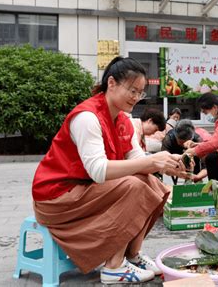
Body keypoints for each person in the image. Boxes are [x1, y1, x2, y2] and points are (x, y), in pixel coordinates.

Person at [31, 57, 186, 284]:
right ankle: (113, 267)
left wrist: (167, 161)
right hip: (56, 196)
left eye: (140, 92)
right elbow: (98, 170)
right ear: (111, 83)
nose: (136, 97)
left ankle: (131, 255)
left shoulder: (123, 119)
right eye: (132, 90)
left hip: (84, 188)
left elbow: (137, 159)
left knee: (152, 184)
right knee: (134, 185)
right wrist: (151, 163)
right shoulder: (87, 117)